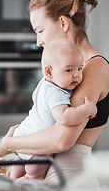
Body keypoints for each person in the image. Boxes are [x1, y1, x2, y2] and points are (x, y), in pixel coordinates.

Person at [0, 0, 109, 185]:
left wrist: (11, 143)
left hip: (67, 175)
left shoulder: (92, 67)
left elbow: (61, 139)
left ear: (63, 23)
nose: (39, 41)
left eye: (40, 31)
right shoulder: (65, 71)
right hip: (50, 169)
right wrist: (12, 143)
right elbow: (45, 118)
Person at [6, 39, 97, 180]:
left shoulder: (44, 83)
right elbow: (65, 117)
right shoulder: (56, 93)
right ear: (49, 71)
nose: (76, 75)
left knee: (14, 175)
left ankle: (10, 184)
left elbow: (35, 96)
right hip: (38, 148)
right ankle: (19, 185)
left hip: (22, 137)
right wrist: (88, 109)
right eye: (69, 69)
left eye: (79, 68)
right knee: (32, 178)